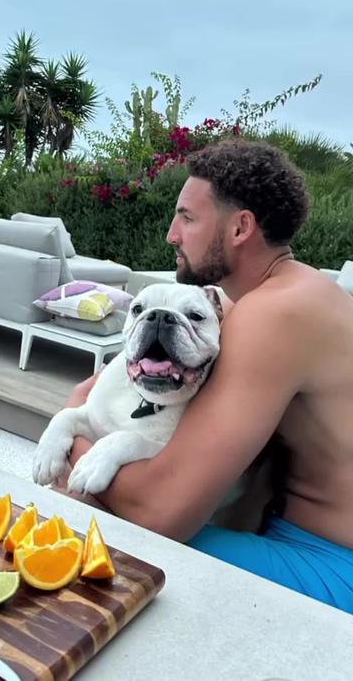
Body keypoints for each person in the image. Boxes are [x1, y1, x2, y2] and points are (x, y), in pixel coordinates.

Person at [60, 139, 353, 612]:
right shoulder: (283, 294)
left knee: (97, 523)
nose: (171, 235)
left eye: (187, 218)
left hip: (331, 565)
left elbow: (161, 512)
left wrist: (73, 434)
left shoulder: (275, 314)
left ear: (240, 228)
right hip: (296, 534)